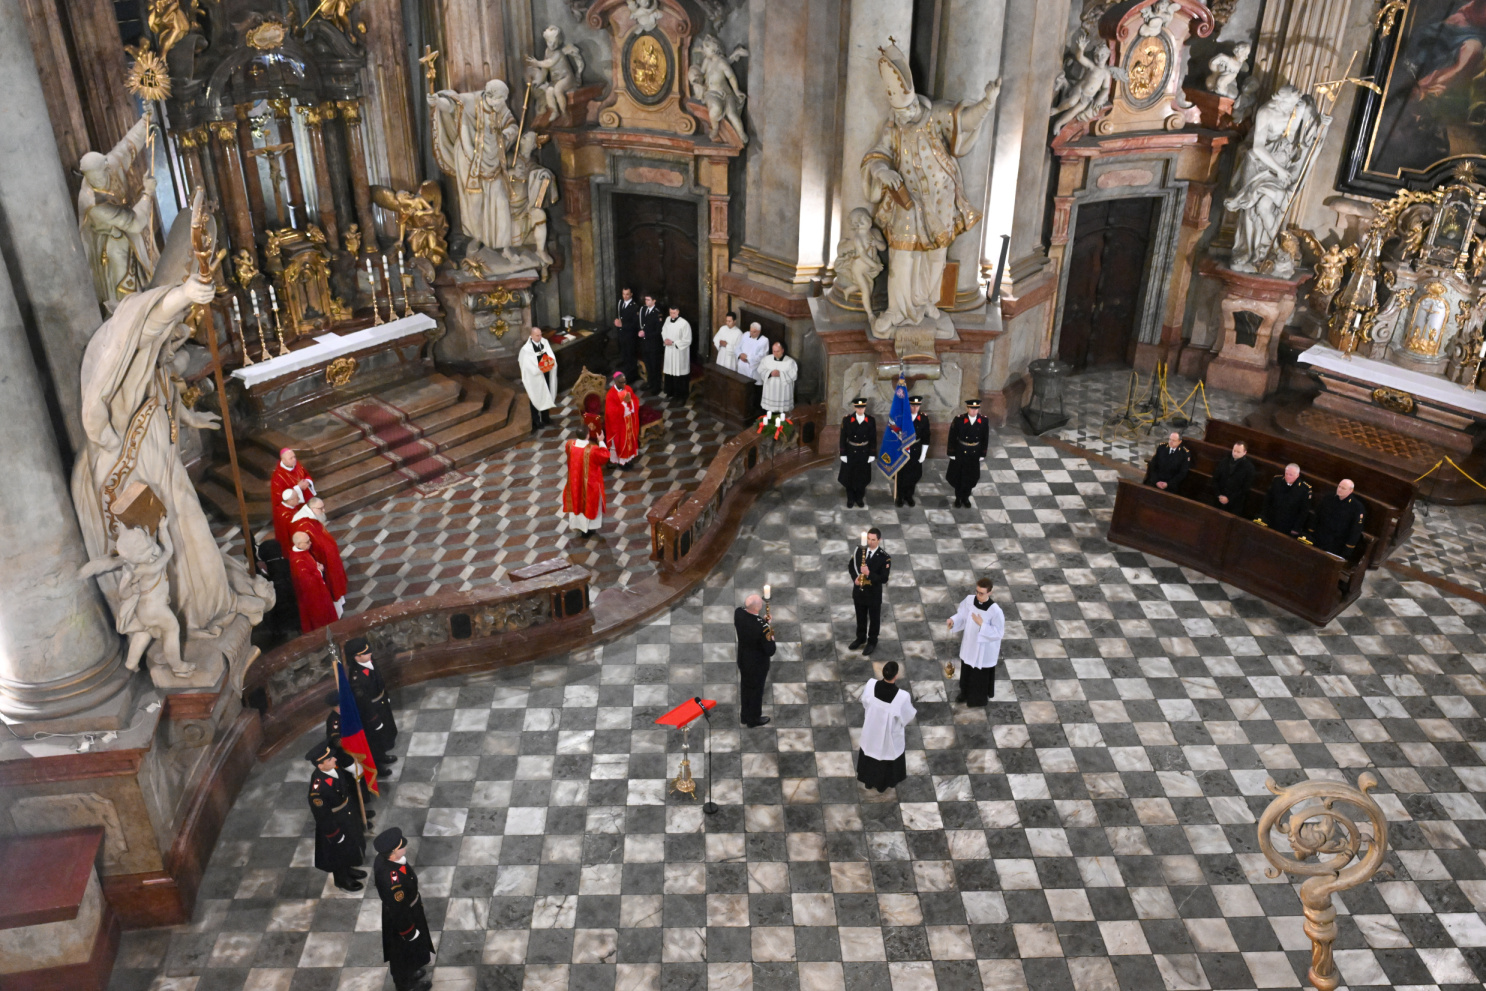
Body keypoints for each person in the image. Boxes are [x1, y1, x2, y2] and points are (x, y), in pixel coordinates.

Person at [373, 828, 435, 991]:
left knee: (409, 951)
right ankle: (405, 985)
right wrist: (408, 931)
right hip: (403, 919)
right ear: (393, 852)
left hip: (408, 910)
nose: (405, 845)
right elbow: (398, 909)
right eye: (402, 845)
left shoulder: (388, 860)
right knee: (403, 953)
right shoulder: (393, 881)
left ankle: (409, 973)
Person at [307, 741, 366, 892]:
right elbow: (322, 816)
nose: (334, 759)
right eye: (329, 759)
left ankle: (348, 870)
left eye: (332, 757)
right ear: (320, 765)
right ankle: (342, 879)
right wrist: (334, 834)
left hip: (345, 815)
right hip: (334, 823)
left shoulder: (334, 769)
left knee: (349, 846)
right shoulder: (318, 790)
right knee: (338, 853)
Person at [856, 660, 916, 795]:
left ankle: (868, 781)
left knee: (870, 753)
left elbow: (865, 703)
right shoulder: (902, 697)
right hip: (888, 735)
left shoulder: (871, 685)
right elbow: (907, 716)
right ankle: (882, 784)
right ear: (896, 675)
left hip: (871, 730)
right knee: (885, 756)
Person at [947, 576, 1004, 707]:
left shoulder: (995, 611)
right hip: (969, 644)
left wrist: (982, 625)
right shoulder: (969, 600)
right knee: (966, 671)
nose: (978, 595)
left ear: (989, 592)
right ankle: (964, 693)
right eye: (977, 592)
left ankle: (977, 700)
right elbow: (962, 615)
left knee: (979, 677)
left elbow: (998, 633)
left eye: (982, 593)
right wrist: (953, 620)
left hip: (983, 650)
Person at [346, 636, 399, 769]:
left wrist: (384, 696)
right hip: (372, 710)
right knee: (375, 738)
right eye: (366, 652)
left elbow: (379, 680)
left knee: (387, 728)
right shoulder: (356, 679)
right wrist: (374, 719)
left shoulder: (370, 662)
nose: (370, 653)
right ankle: (378, 764)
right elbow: (364, 703)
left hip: (380, 702)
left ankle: (384, 752)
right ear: (356, 657)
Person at [323, 692, 377, 820]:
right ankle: (360, 812)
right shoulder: (334, 721)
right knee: (353, 786)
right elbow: (336, 740)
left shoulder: (345, 714)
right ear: (334, 707)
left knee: (361, 778)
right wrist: (350, 743)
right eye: (339, 705)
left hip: (356, 753)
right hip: (346, 757)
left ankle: (364, 799)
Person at [291, 497, 347, 615]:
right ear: (312, 508)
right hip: (321, 561)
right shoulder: (303, 524)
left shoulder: (311, 518)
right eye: (321, 508)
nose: (324, 510)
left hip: (327, 558)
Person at [562, 415, 610, 537]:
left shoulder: (569, 444)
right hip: (590, 484)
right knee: (589, 505)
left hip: (574, 482)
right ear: (588, 435)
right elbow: (605, 456)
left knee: (577, 503)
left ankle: (579, 526)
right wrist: (601, 441)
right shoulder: (592, 450)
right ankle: (589, 529)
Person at [734, 593, 776, 728]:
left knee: (745, 687)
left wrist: (763, 621)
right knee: (756, 692)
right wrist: (769, 632)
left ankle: (745, 715)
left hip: (743, 658)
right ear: (758, 607)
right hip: (757, 664)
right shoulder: (761, 628)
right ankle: (753, 719)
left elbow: (751, 623)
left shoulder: (738, 613)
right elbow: (770, 650)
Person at [849, 527, 891, 655]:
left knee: (874, 619)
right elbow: (851, 565)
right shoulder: (860, 550)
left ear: (879, 540)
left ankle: (872, 641)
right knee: (860, 617)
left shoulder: (884, 558)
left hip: (873, 595)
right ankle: (860, 638)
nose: (870, 542)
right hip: (859, 592)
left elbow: (884, 578)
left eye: (873, 539)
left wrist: (869, 573)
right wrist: (855, 578)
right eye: (868, 539)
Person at [289, 530, 339, 632]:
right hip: (313, 596)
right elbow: (308, 581)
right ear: (298, 544)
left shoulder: (301, 552)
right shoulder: (298, 561)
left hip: (318, 590)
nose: (310, 543)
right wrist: (319, 570)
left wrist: (315, 566)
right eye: (307, 542)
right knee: (320, 617)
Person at [1307, 478, 1366, 558]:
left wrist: (1348, 548)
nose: (1339, 489)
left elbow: (1355, 530)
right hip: (1319, 537)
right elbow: (1317, 515)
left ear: (1351, 491)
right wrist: (1311, 531)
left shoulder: (1357, 507)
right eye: (1339, 486)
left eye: (1343, 488)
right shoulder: (1329, 498)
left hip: (1336, 544)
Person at [945, 398, 989, 507]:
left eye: (976, 409)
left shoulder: (983, 420)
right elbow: (952, 436)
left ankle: (966, 498)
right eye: (971, 408)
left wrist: (983, 453)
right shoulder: (959, 420)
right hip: (961, 451)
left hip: (974, 452)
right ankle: (958, 498)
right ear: (967, 408)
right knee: (959, 475)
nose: (974, 411)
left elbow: (985, 438)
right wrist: (951, 452)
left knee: (970, 475)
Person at [271, 448, 316, 551]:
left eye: (294, 456)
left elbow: (306, 475)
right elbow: (281, 498)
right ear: (283, 460)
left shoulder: (297, 465)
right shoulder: (278, 477)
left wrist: (308, 482)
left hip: (304, 503)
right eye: (291, 458)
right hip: (293, 509)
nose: (294, 459)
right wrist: (298, 488)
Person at [1255, 463, 1312, 537]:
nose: (1287, 476)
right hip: (1271, 518)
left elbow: (1303, 511)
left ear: (1297, 475)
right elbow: (1267, 500)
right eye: (1286, 473)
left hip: (1288, 524)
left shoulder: (1304, 489)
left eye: (1291, 475)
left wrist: (1296, 528)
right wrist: (1263, 516)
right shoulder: (1277, 480)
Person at [517, 326, 558, 430]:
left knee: (546, 394)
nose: (540, 337)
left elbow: (551, 355)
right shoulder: (526, 350)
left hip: (545, 373)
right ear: (531, 335)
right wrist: (540, 368)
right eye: (537, 335)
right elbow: (526, 366)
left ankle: (545, 418)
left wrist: (549, 364)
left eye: (540, 334)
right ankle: (536, 420)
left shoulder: (544, 342)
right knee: (535, 397)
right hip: (535, 378)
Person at [839, 398, 877, 507]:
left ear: (865, 407)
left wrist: (872, 453)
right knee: (849, 476)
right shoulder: (847, 420)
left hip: (864, 451)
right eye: (858, 407)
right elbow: (842, 438)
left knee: (862, 476)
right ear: (855, 407)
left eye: (863, 407)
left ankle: (859, 498)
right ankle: (850, 498)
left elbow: (873, 438)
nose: (861, 410)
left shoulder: (870, 420)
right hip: (851, 450)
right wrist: (843, 453)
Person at [896, 395, 930, 507]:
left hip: (916, 450)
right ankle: (900, 496)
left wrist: (923, 453)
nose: (915, 408)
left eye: (917, 406)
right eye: (912, 405)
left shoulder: (924, 419)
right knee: (901, 474)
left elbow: (926, 437)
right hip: (903, 450)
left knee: (913, 474)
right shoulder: (901, 417)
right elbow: (894, 433)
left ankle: (909, 496)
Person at [604, 372, 641, 469]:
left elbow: (635, 401)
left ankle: (628, 459)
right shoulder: (611, 395)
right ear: (615, 382)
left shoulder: (628, 389)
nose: (624, 384)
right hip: (619, 425)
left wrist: (631, 402)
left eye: (624, 382)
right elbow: (610, 413)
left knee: (630, 441)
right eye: (621, 382)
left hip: (629, 421)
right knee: (620, 443)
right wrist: (624, 403)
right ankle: (621, 462)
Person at [1208, 441, 1255, 514]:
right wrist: (1219, 495)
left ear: (1244, 452)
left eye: (1238, 452)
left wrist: (1229, 498)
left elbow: (1245, 488)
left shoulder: (1249, 468)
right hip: (1218, 499)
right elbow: (1215, 478)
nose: (1235, 453)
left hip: (1234, 504)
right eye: (1234, 450)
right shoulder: (1225, 461)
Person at [756, 340, 799, 415]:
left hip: (783, 392)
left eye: (777, 351)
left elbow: (794, 375)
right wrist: (770, 373)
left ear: (782, 350)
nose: (775, 353)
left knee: (783, 414)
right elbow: (760, 370)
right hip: (770, 392)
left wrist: (781, 374)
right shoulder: (766, 359)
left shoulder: (790, 362)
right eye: (774, 351)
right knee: (769, 413)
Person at [661, 304, 693, 402]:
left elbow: (688, 340)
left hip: (679, 352)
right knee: (670, 373)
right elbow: (663, 331)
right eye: (670, 312)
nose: (672, 315)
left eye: (674, 313)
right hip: (669, 351)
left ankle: (681, 397)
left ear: (678, 312)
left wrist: (674, 343)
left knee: (680, 375)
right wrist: (665, 339)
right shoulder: (667, 320)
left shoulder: (684, 323)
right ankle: (670, 393)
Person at [613, 286, 641, 383]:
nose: (625, 296)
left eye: (627, 294)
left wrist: (623, 325)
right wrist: (617, 321)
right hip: (622, 335)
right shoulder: (620, 302)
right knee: (624, 355)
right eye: (623, 294)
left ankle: (632, 376)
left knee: (630, 356)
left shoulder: (634, 306)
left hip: (630, 336)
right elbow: (619, 315)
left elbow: (635, 324)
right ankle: (626, 373)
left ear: (631, 294)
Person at [638, 294, 665, 393]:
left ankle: (656, 386)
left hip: (654, 345)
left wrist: (646, 334)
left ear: (654, 301)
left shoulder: (657, 313)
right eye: (645, 299)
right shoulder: (644, 310)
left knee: (655, 366)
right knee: (648, 365)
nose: (646, 301)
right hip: (645, 344)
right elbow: (641, 324)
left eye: (648, 300)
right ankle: (650, 382)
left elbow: (658, 331)